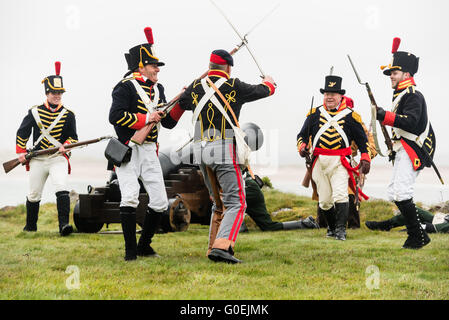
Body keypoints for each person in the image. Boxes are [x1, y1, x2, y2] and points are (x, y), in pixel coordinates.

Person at [178, 49, 276, 263]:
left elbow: (182, 103)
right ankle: (223, 247)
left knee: (218, 203)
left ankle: (214, 246)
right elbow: (266, 90)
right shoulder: (234, 85)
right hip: (223, 147)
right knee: (237, 202)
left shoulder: (196, 86)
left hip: (199, 149)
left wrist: (188, 90)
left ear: (210, 66)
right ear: (228, 68)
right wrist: (269, 81)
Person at [109, 27, 185, 261]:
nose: (157, 69)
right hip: (128, 149)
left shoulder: (158, 89)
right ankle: (130, 252)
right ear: (140, 66)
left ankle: (144, 246)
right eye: (153, 65)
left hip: (151, 149)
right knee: (130, 197)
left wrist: (181, 102)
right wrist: (146, 119)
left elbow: (169, 123)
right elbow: (115, 116)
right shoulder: (124, 87)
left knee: (161, 202)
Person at [376, 37, 436, 249]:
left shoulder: (413, 95)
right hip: (404, 150)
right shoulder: (401, 95)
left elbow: (410, 123)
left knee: (402, 193)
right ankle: (419, 234)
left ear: (407, 74)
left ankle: (417, 236)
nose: (391, 76)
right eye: (391, 72)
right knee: (394, 192)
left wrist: (385, 116)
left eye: (394, 72)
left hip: (413, 150)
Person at [297, 74, 371, 241]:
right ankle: (331, 228)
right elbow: (301, 136)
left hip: (340, 162)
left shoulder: (351, 116)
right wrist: (302, 147)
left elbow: (362, 141)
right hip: (319, 163)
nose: (329, 97)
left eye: (333, 94)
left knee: (340, 195)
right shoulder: (314, 114)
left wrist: (365, 157)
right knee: (324, 202)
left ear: (340, 96)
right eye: (326, 94)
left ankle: (340, 231)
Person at [16, 61, 78, 236]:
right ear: (47, 93)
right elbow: (22, 133)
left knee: (62, 187)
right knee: (34, 193)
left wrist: (67, 146)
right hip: (37, 159)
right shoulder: (34, 112)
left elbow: (74, 137)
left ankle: (64, 226)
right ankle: (30, 227)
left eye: (59, 92)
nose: (57, 95)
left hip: (57, 158)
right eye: (54, 92)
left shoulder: (68, 114)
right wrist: (21, 153)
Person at [242, 173, 319, 232]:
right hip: (251, 186)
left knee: (232, 205)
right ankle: (306, 223)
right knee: (268, 226)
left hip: (245, 188)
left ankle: (241, 229)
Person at [366, 207, 449, 234]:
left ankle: (418, 227)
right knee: (413, 209)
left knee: (433, 228)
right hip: (441, 219)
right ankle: (386, 225)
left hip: (443, 225)